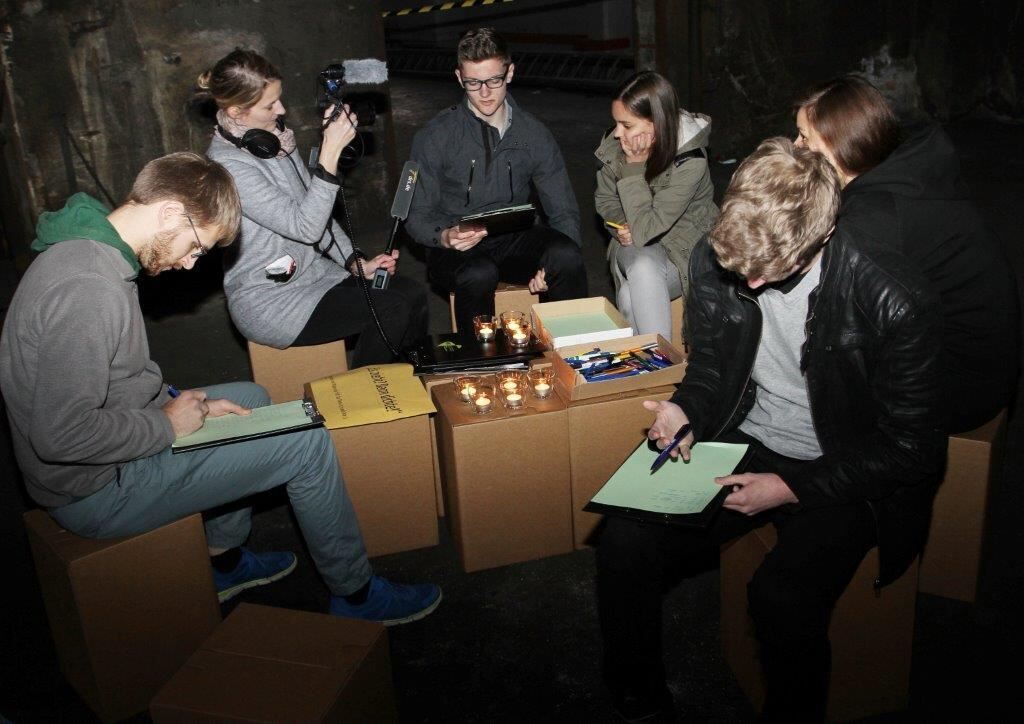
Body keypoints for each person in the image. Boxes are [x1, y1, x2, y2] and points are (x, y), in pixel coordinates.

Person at [0, 153, 441, 625]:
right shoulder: (89, 289)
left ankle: (223, 560)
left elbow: (117, 379)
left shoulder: (93, 251)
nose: (190, 264)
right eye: (195, 246)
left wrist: (174, 402)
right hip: (97, 490)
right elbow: (60, 436)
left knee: (252, 399)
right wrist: (166, 425)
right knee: (307, 444)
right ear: (170, 212)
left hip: (111, 452)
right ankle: (356, 595)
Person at [596, 138, 946, 721]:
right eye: (741, 270)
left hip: (844, 462)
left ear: (822, 235)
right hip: (750, 433)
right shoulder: (719, 255)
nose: (751, 284)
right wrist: (687, 412)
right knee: (622, 541)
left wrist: (790, 487)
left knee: (781, 599)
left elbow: (912, 450)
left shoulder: (894, 298)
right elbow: (711, 368)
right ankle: (639, 694)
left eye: (768, 271)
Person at [793, 75, 1018, 433]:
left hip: (958, 383)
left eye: (805, 137)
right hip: (983, 362)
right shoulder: (904, 167)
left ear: (841, 145)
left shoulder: (873, 218)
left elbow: (835, 317)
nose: (796, 146)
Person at [201, 50, 427, 367]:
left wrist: (354, 262)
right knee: (391, 308)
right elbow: (305, 227)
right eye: (269, 105)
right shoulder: (228, 167)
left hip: (315, 275)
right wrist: (329, 154)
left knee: (412, 294)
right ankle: (369, 392)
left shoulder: (273, 141)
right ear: (237, 113)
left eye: (279, 99)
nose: (281, 110)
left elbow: (315, 211)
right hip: (272, 300)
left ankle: (411, 377)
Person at [406, 27, 588, 334]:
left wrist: (550, 268)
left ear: (510, 73)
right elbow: (416, 213)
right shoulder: (436, 136)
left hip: (513, 238)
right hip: (456, 247)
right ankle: (478, 358)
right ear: (459, 78)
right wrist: (444, 236)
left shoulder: (533, 133)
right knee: (479, 272)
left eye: (494, 80)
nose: (485, 92)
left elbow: (563, 210)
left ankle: (572, 348)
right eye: (473, 83)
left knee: (566, 256)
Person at [595, 70, 717, 340]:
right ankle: (661, 360)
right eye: (616, 123)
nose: (617, 133)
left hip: (684, 250)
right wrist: (620, 225)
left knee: (629, 294)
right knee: (642, 263)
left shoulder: (690, 160)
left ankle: (650, 362)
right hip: (636, 251)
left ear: (656, 124)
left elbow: (648, 228)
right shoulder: (617, 144)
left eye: (627, 125)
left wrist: (634, 168)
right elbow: (605, 200)